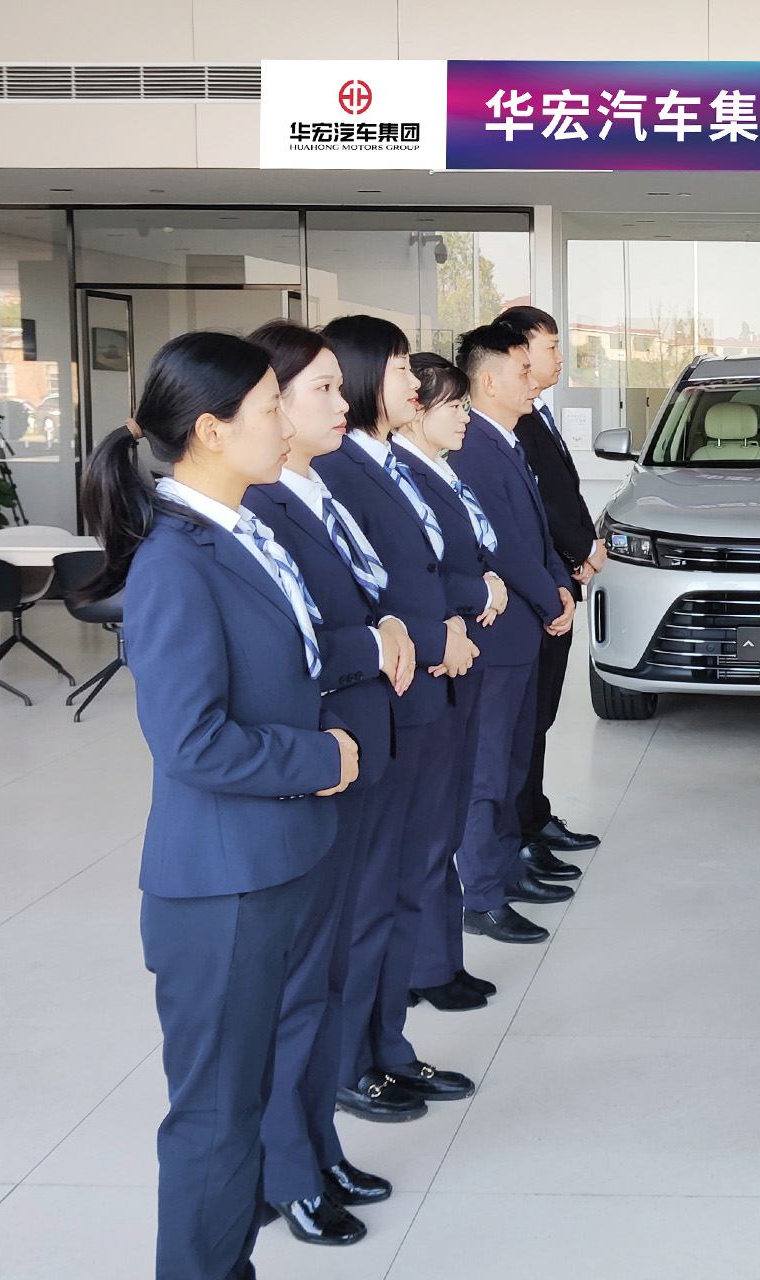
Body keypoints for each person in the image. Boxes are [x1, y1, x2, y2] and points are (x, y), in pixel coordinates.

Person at [78, 331, 359, 1280]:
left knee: (246, 1101)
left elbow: (291, 666)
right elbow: (190, 741)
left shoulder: (243, 529)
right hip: (222, 888)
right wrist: (319, 756)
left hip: (277, 857)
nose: (287, 424)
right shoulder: (175, 561)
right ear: (209, 429)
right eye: (272, 408)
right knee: (217, 1118)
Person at [241, 320, 410, 1246]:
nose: (343, 403)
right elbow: (293, 644)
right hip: (318, 761)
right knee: (300, 984)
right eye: (321, 390)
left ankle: (319, 1144)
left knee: (333, 970)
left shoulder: (317, 488)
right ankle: (287, 1171)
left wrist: (386, 629)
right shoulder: (260, 510)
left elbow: (365, 596)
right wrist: (373, 641)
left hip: (361, 750)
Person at [313, 315, 482, 1122]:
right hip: (391, 699)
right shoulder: (339, 469)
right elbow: (361, 593)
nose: (415, 384)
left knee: (404, 882)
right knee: (373, 896)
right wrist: (435, 633)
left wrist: (445, 620)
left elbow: (416, 569)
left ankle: (388, 1046)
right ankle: (354, 1062)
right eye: (401, 369)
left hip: (420, 696)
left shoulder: (384, 462)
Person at [449, 323, 578, 944]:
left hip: (525, 629)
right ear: (490, 381)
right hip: (498, 636)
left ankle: (507, 870)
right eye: (523, 372)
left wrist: (559, 582)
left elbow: (538, 533)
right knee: (488, 771)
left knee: (512, 762)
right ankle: (481, 893)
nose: (535, 382)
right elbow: (500, 543)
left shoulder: (505, 439)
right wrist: (551, 594)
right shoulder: (473, 446)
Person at [391, 351, 507, 1009]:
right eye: (454, 406)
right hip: (433, 660)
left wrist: (483, 581)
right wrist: (477, 590)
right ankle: (424, 967)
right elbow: (415, 573)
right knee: (430, 826)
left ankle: (440, 960)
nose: (465, 417)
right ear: (415, 412)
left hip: (460, 654)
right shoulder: (401, 475)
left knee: (448, 818)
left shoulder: (441, 471)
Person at [497, 304, 603, 878]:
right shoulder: (505, 427)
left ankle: (535, 817)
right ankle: (519, 833)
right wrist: (581, 551)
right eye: (550, 347)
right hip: (534, 594)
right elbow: (533, 516)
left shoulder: (534, 414)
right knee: (524, 723)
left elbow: (562, 495)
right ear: (516, 353)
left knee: (539, 719)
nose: (560, 358)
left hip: (555, 582)